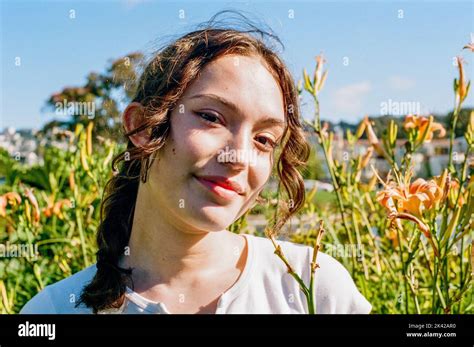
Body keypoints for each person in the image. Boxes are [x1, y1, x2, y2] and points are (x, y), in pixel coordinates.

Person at [21, 13, 371, 315]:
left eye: (264, 140)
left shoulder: (314, 286)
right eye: (211, 117)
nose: (239, 157)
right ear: (142, 128)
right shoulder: (53, 311)